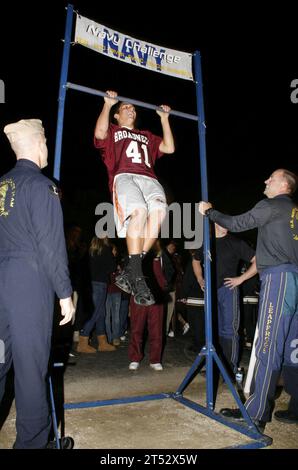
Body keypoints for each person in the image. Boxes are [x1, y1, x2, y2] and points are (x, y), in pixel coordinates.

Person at [199, 168, 298, 430]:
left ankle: (255, 414)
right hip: (294, 279)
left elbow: (236, 223)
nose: (265, 180)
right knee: (292, 349)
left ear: (283, 185)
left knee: (267, 347)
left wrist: (209, 211)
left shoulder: (272, 204)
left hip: (279, 279)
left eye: (271, 178)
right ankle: (295, 406)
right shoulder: (293, 212)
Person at [0, 119, 75, 449]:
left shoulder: (2, 185)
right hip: (28, 287)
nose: (47, 147)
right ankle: (33, 445)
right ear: (37, 144)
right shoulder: (42, 186)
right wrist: (65, 293)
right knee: (31, 370)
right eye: (45, 141)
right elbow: (51, 245)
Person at [94, 90, 175, 306]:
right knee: (138, 211)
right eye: (125, 108)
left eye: (133, 108)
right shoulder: (113, 130)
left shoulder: (146, 135)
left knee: (159, 213)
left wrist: (164, 119)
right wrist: (108, 105)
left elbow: (169, 147)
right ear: (117, 116)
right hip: (124, 175)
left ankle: (131, 268)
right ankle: (138, 278)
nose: (131, 109)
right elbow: (100, 134)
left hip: (149, 178)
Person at [192, 223, 257, 375]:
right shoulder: (207, 242)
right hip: (210, 291)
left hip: (228, 289)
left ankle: (230, 369)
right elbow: (196, 261)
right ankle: (215, 367)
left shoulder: (235, 242)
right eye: (223, 222)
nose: (227, 225)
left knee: (229, 330)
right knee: (213, 329)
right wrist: (200, 279)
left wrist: (241, 279)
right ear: (215, 224)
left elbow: (258, 260)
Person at [128, 240, 167, 371]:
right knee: (136, 328)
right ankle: (135, 358)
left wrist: (163, 285)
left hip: (157, 296)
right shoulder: (135, 252)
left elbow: (170, 272)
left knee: (156, 329)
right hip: (139, 295)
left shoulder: (161, 255)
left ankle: (155, 360)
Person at [77, 236, 116, 353]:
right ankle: (82, 342)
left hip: (89, 284)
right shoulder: (106, 249)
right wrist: (113, 256)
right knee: (95, 313)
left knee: (101, 313)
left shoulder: (89, 251)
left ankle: (102, 342)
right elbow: (112, 267)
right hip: (99, 284)